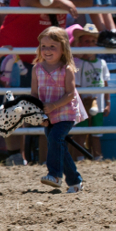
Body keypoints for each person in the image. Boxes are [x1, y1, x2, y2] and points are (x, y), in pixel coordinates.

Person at [0, 0, 92, 166]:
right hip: (18, 54)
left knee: (49, 110)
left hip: (48, 57)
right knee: (16, 107)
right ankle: (15, 157)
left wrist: (60, 0)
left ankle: (46, 162)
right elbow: (29, 1)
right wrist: (63, 3)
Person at [32, 26, 87, 192]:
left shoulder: (67, 69)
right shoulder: (37, 69)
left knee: (56, 139)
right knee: (58, 145)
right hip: (48, 115)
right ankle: (75, 182)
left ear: (63, 49)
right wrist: (38, 112)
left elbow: (70, 94)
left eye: (52, 47)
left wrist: (54, 105)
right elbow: (34, 93)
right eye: (44, 46)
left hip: (66, 113)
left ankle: (55, 175)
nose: (47, 50)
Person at [71, 24, 110, 162]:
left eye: (93, 41)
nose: (90, 44)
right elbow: (76, 86)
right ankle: (79, 158)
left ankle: (97, 158)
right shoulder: (78, 63)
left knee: (96, 133)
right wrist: (79, 104)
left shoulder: (102, 63)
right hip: (83, 104)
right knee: (80, 133)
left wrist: (108, 103)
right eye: (87, 41)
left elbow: (105, 84)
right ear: (80, 44)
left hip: (98, 104)